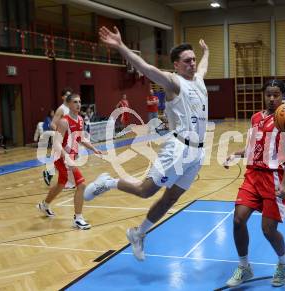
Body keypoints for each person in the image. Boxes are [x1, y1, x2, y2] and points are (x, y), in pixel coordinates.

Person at [84, 26, 209, 261]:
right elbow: (145, 68)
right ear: (176, 65)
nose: (192, 64)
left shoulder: (200, 80)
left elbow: (203, 66)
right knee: (145, 191)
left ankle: (138, 233)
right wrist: (121, 46)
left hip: (198, 153)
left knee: (171, 198)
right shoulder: (174, 83)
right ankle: (108, 182)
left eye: (193, 60)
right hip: (179, 149)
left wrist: (206, 52)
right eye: (186, 61)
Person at [223, 79, 285, 287]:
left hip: (274, 179)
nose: (272, 99)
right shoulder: (255, 118)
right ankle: (244, 267)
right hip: (252, 175)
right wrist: (235, 154)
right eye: (268, 95)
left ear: (283, 96)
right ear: (264, 96)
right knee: (238, 220)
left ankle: (283, 261)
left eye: (276, 95)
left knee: (268, 230)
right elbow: (252, 147)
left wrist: (284, 184)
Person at [37, 93, 102, 229]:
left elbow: (81, 139)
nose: (78, 104)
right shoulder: (64, 121)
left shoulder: (80, 119)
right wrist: (67, 158)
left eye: (79, 102)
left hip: (69, 157)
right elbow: (56, 143)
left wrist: (94, 148)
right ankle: (78, 218)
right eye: (75, 102)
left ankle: (44, 205)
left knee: (61, 184)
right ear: (69, 104)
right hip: (60, 157)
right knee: (81, 185)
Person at [42, 88, 74, 187]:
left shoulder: (71, 108)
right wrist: (61, 134)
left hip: (70, 138)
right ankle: (68, 182)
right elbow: (52, 124)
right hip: (62, 138)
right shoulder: (61, 109)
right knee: (66, 159)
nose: (69, 97)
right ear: (63, 97)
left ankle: (49, 173)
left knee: (63, 159)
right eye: (67, 95)